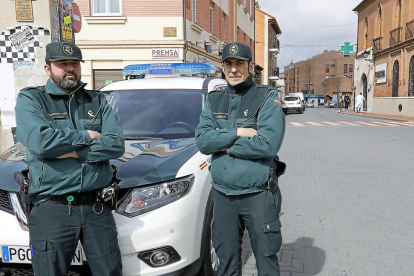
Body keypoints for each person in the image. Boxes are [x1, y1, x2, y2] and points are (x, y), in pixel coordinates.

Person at [15, 42, 125, 276]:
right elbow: (41, 142)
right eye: (62, 64)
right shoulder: (32, 99)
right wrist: (87, 136)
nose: (69, 68)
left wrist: (74, 151)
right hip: (52, 209)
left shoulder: (96, 100)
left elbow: (116, 144)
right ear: (47, 69)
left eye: (74, 63)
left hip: (96, 209)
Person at [195, 42, 286, 276]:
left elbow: (268, 144)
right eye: (228, 64)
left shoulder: (266, 96)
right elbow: (203, 142)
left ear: (250, 66)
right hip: (223, 196)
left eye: (239, 63)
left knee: (266, 261)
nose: (233, 69)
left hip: (258, 195)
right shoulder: (213, 99)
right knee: (226, 262)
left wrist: (223, 145)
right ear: (223, 67)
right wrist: (236, 133)